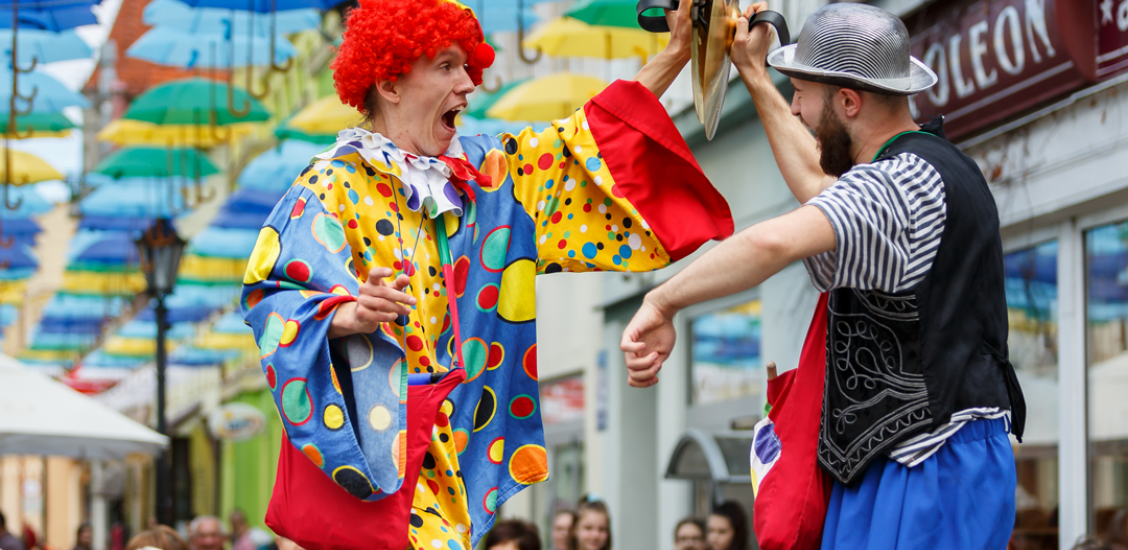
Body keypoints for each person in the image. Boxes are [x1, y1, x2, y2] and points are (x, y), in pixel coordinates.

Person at [241, 0, 733, 549]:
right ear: (389, 82)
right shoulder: (329, 187)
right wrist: (347, 314)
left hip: (462, 444)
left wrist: (674, 54)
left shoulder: (485, 175)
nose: (469, 83)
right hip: (386, 456)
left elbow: (587, 142)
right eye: (448, 66)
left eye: (466, 66)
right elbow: (270, 297)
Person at [620, 3, 1026, 550]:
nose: (795, 110)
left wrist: (662, 300)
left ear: (849, 102)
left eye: (803, 95)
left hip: (930, 460)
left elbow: (772, 241)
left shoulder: (902, 182)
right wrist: (752, 72)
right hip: (906, 456)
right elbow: (819, 184)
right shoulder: (910, 171)